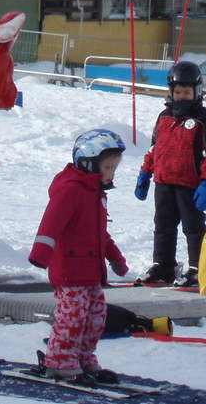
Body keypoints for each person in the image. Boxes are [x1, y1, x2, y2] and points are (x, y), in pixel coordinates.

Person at [28, 129, 129, 386]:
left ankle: (82, 358)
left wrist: (115, 258)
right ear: (88, 163)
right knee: (72, 316)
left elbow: (100, 234)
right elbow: (50, 224)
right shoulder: (71, 190)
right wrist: (40, 255)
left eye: (114, 168)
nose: (111, 173)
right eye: (107, 167)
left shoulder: (96, 195)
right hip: (69, 270)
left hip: (91, 271)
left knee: (96, 317)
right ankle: (59, 362)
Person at [134, 61, 206, 287]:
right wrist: (145, 173)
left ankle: (198, 267)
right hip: (163, 181)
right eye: (178, 92)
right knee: (163, 225)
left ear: (197, 92)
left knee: (193, 227)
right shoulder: (164, 117)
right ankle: (163, 265)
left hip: (189, 183)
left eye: (187, 92)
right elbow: (155, 148)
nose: (182, 96)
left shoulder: (204, 120)